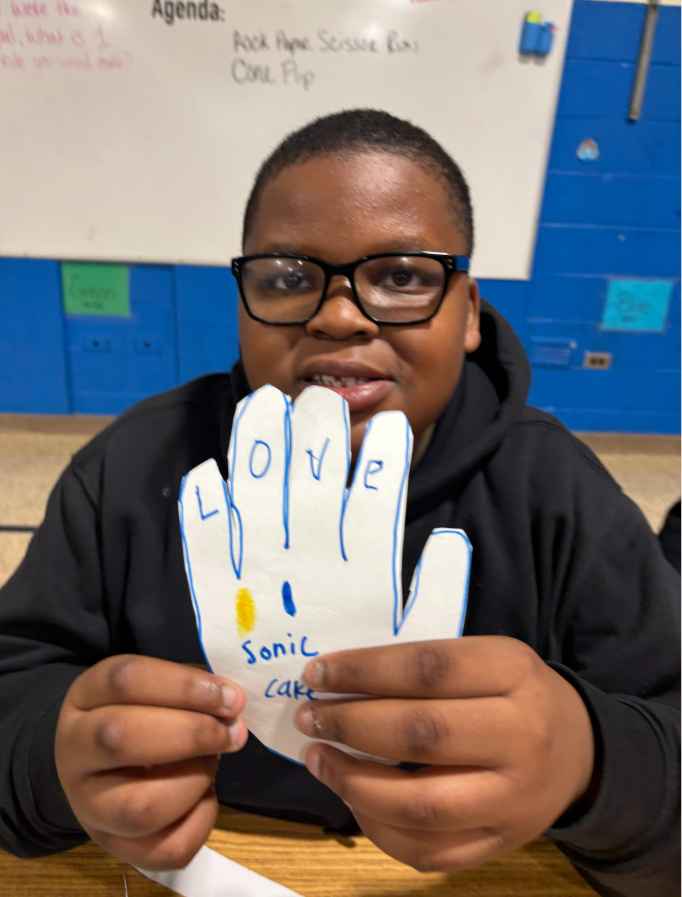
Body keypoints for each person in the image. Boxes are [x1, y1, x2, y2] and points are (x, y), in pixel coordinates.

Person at [0, 110, 678, 897]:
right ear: (245, 300)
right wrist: (57, 756)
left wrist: (592, 763)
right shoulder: (129, 470)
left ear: (467, 311)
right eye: (287, 277)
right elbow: (15, 684)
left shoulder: (554, 490)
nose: (340, 314)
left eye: (402, 276)